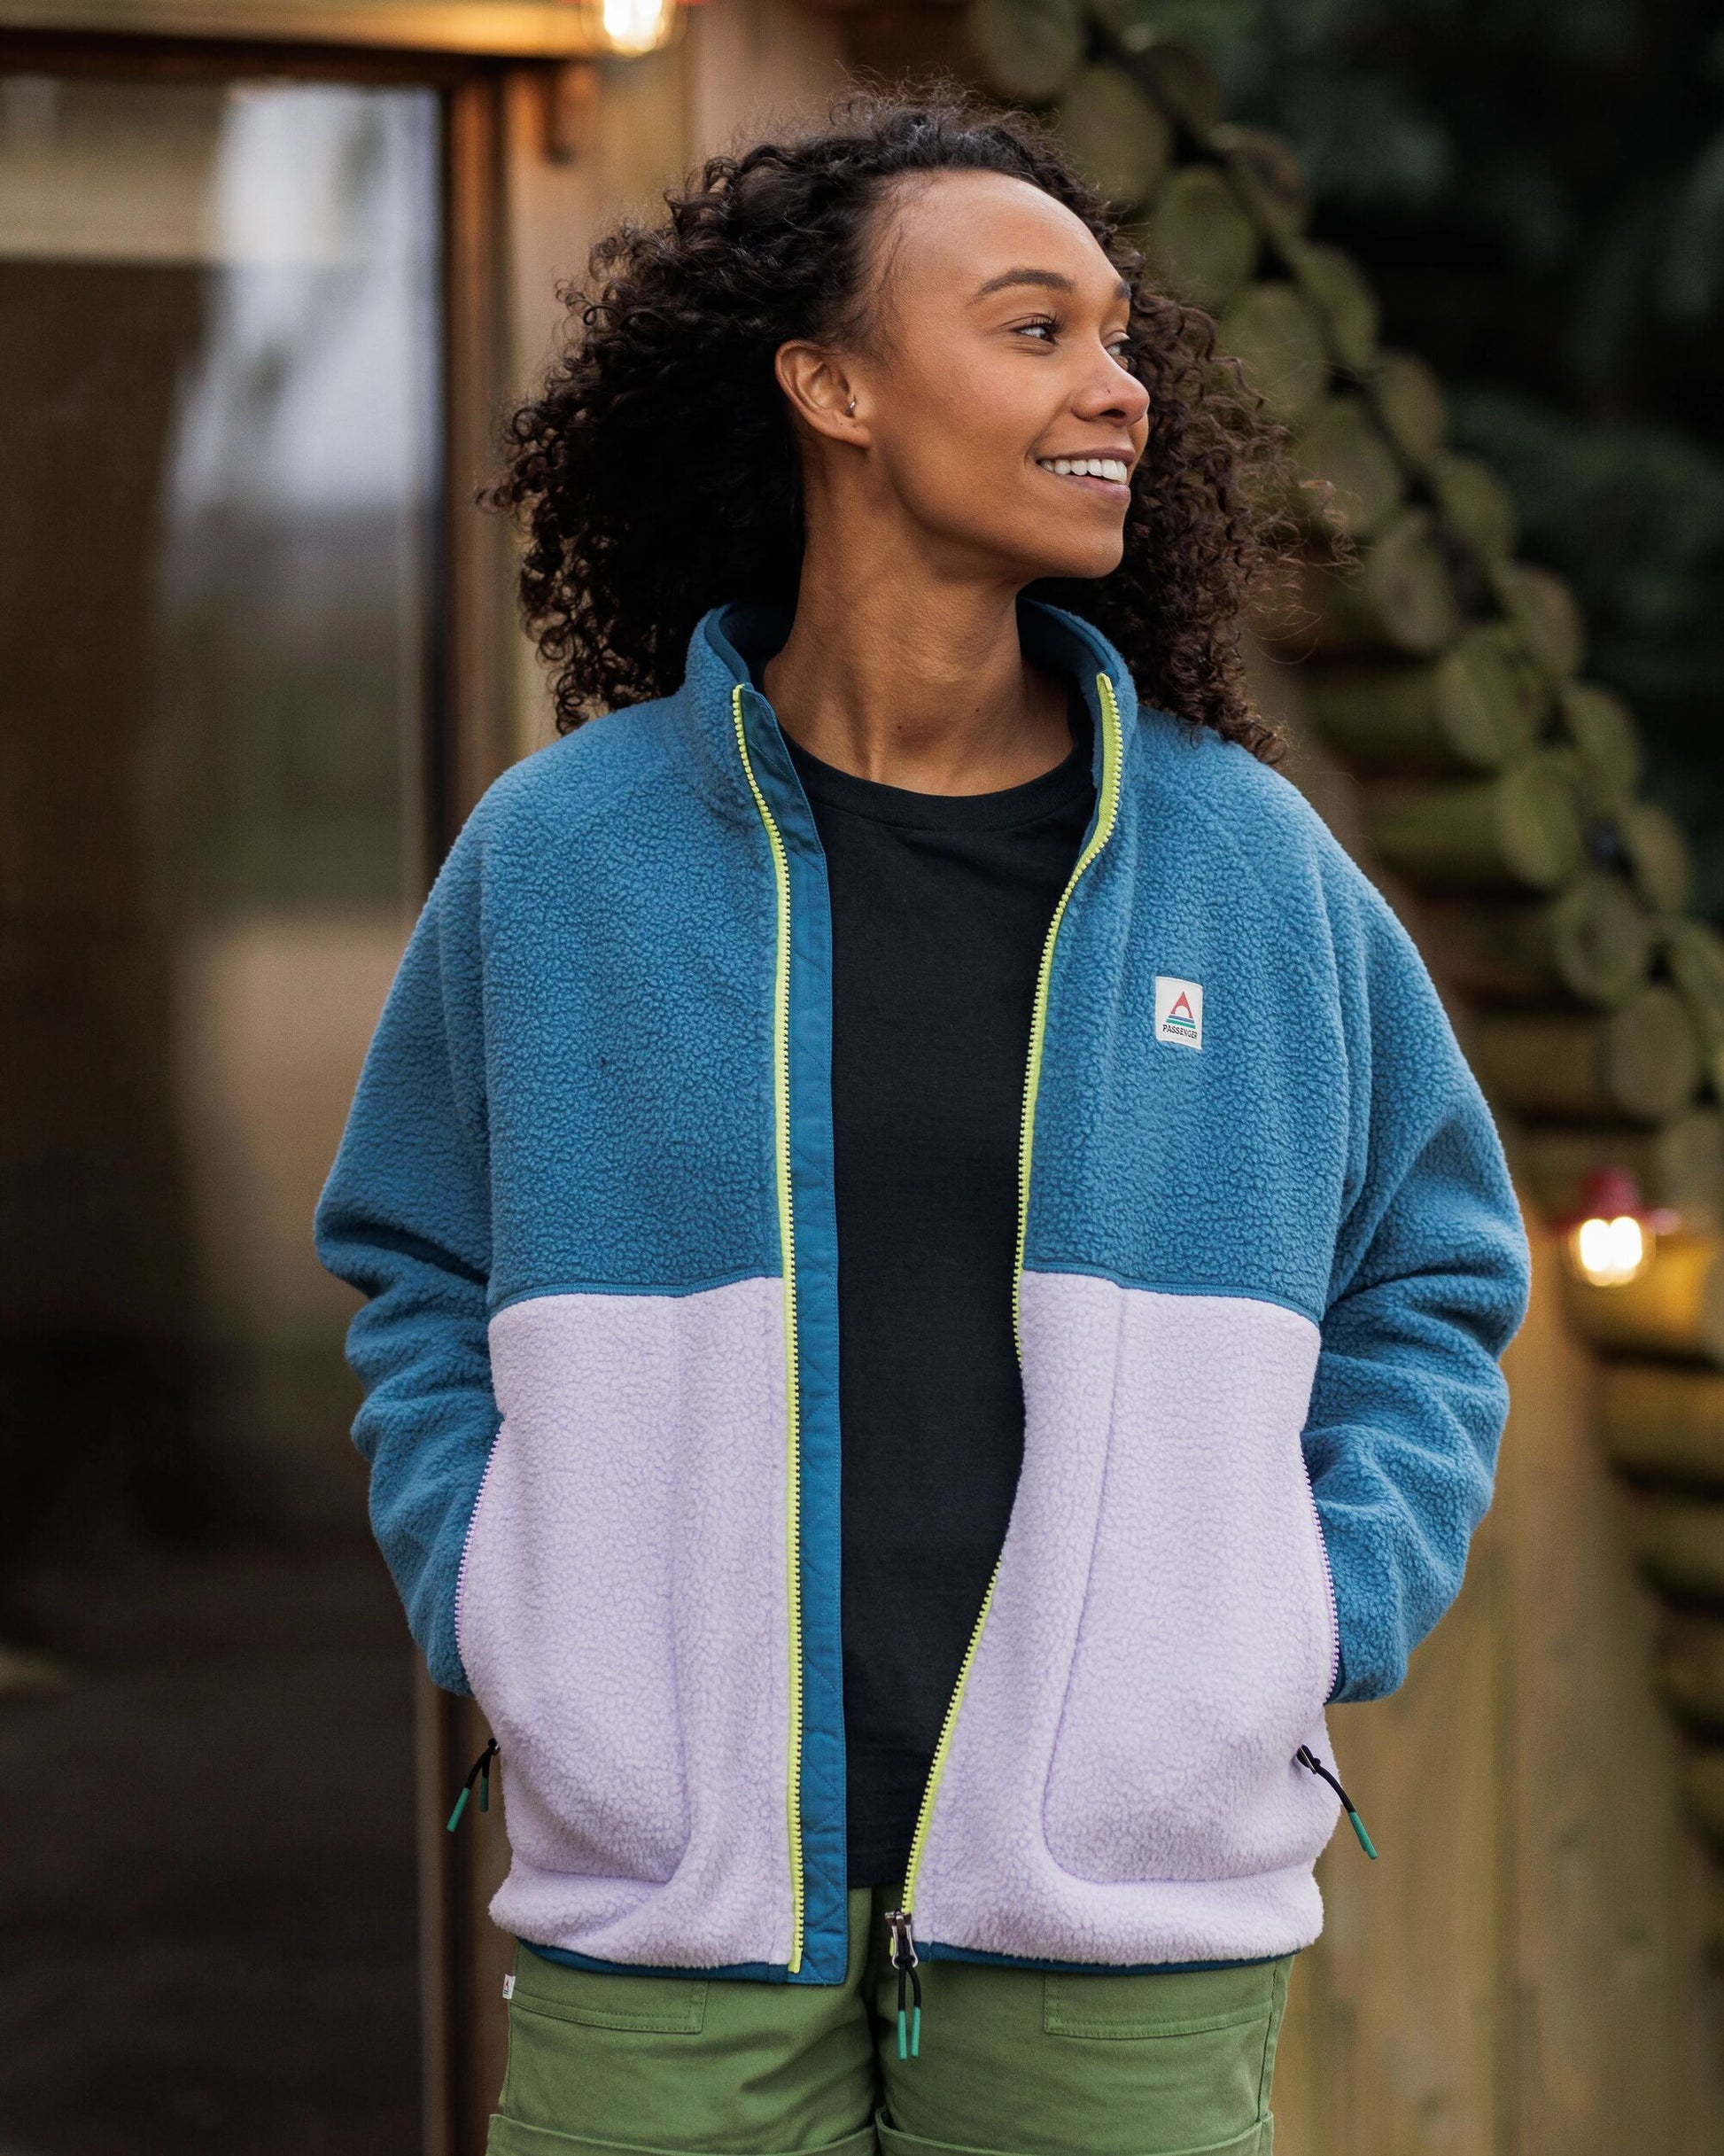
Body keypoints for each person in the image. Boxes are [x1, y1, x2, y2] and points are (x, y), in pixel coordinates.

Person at [315, 90, 1531, 2156]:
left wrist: (1307, 1614)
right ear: (832, 386)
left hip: (1121, 1924)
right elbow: (415, 1263)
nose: (1115, 386)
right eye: (1035, 329)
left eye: (1121, 339)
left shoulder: (1245, 867)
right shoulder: (562, 858)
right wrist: (504, 1599)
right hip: (664, 1913)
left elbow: (1433, 1269)